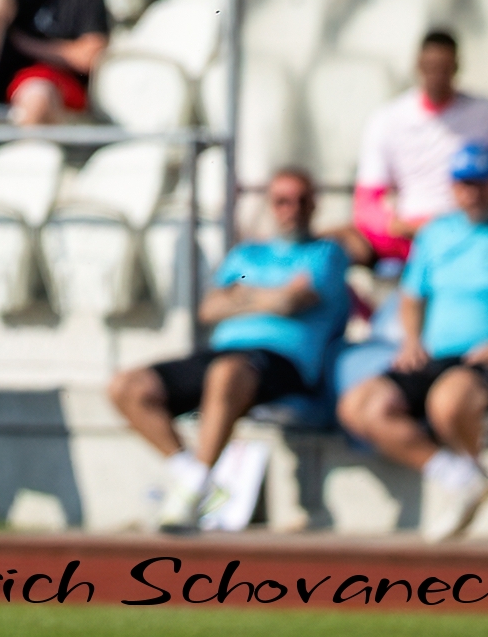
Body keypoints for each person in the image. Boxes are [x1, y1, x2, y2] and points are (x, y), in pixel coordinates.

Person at [108, 168, 353, 533]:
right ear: (270, 205)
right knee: (127, 386)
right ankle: (197, 480)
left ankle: (191, 493)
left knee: (227, 374)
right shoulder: (247, 256)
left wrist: (243, 297)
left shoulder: (325, 253)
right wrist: (270, 296)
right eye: (282, 201)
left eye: (301, 201)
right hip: (225, 354)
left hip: (284, 362)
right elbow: (210, 308)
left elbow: (292, 301)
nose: (292, 210)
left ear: (315, 205)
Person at [336, 142, 488, 543]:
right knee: (358, 406)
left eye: (482, 182)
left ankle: (468, 473)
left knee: (447, 403)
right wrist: (411, 340)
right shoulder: (437, 233)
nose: (473, 193)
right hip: (437, 355)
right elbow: (413, 296)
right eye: (465, 183)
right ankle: (460, 478)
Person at [346, 30, 488, 267]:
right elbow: (367, 204)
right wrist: (402, 227)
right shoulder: (387, 119)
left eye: (444, 67)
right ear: (418, 65)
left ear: (456, 66)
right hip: (410, 241)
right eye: (431, 66)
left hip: (480, 234)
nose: (437, 75)